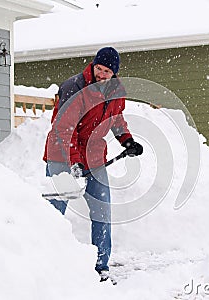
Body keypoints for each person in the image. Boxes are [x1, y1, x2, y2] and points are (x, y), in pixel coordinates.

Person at [43, 47, 143, 282]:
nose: (101, 74)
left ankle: (101, 266)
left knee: (102, 211)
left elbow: (116, 118)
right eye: (99, 68)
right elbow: (64, 129)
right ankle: (46, 262)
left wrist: (126, 139)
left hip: (94, 158)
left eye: (107, 71)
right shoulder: (74, 87)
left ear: (114, 73)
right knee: (53, 213)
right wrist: (75, 162)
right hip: (62, 156)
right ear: (93, 65)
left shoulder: (116, 91)